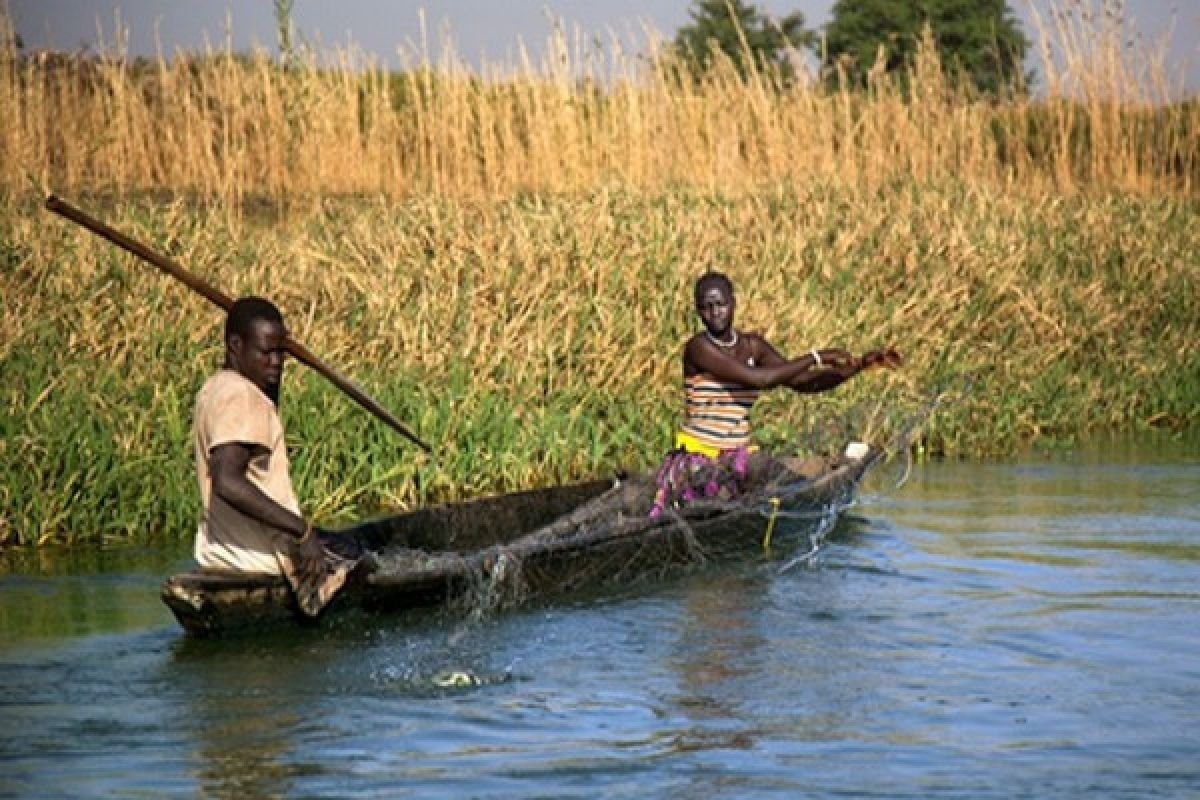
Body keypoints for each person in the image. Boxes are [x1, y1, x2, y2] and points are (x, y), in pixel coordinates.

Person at [650, 272, 900, 517]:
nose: (715, 312)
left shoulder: (752, 346)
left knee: (768, 475)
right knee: (758, 475)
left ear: (734, 303)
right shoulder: (699, 348)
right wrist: (817, 357)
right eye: (707, 307)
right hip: (700, 457)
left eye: (721, 304)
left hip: (737, 454)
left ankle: (805, 495)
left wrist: (856, 367)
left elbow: (801, 382)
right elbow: (762, 379)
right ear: (698, 311)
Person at [193, 296, 361, 616]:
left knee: (346, 545)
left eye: (281, 353)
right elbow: (227, 480)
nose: (276, 362)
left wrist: (272, 360)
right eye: (265, 353)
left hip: (221, 555)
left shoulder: (215, 388)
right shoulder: (242, 397)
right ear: (235, 345)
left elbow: (262, 422)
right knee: (365, 560)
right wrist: (302, 531)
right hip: (262, 562)